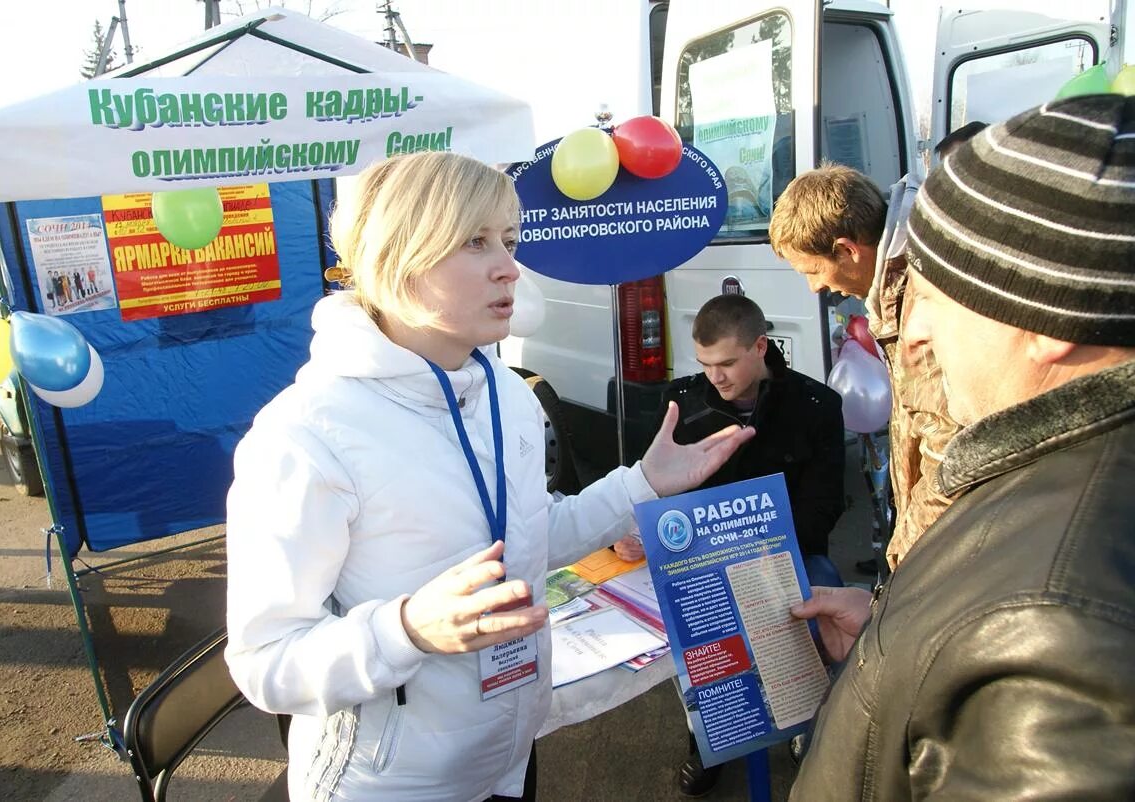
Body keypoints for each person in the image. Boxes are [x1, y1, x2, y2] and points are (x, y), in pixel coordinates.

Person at [223, 151, 753, 802]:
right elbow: (265, 660)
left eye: (509, 239)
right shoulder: (305, 435)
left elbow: (531, 537)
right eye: (475, 242)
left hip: (507, 758)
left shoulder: (507, 394)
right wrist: (408, 629)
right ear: (401, 253)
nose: (509, 267)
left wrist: (641, 483)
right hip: (388, 785)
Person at [789, 94, 1135, 800]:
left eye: (939, 299)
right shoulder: (1044, 486)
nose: (914, 334)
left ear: (1049, 321)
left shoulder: (1056, 640)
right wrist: (896, 626)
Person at [612, 292, 845, 796]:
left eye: (726, 363)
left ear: (760, 346)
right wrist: (639, 532)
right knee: (695, 633)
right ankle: (710, 735)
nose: (715, 376)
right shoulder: (683, 401)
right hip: (700, 560)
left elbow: (824, 505)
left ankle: (807, 719)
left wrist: (757, 552)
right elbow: (655, 486)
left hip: (790, 555)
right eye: (705, 364)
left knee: (821, 605)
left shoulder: (815, 405)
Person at [769, 162, 959, 569]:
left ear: (848, 250)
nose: (815, 287)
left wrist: (907, 557)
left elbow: (947, 455)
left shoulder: (923, 298)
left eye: (814, 270)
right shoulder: (906, 279)